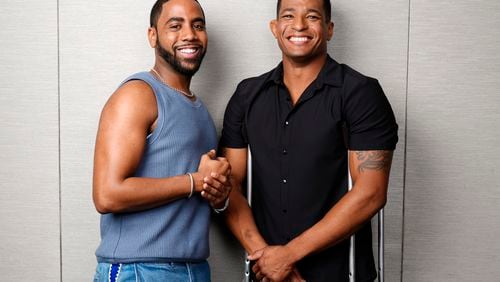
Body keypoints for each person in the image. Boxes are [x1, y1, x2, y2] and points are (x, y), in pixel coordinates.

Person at [217, 0, 399, 281]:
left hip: (339, 273)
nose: (299, 25)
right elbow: (230, 187)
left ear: (329, 29)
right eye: (288, 16)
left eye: (312, 16)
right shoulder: (247, 96)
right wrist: (269, 260)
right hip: (267, 274)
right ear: (275, 28)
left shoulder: (360, 93)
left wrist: (287, 256)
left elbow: (370, 193)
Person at [92, 0, 231, 281]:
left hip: (194, 269)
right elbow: (107, 194)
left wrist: (217, 192)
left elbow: (196, 189)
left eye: (198, 25)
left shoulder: (200, 110)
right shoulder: (138, 95)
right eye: (175, 25)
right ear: (153, 36)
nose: (190, 34)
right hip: (139, 269)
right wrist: (195, 181)